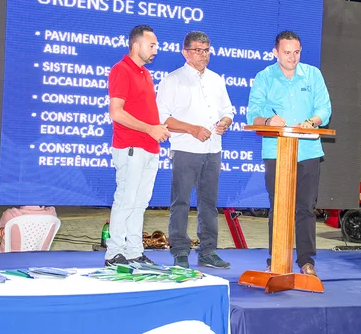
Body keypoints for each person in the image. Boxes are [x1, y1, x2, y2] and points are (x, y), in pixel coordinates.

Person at [247, 30, 331, 277]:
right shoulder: (264, 77)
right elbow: (253, 113)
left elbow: (324, 108)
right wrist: (269, 120)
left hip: (308, 150)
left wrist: (312, 121)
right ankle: (276, 259)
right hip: (277, 151)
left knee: (305, 207)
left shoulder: (313, 75)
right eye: (286, 52)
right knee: (279, 207)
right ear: (275, 52)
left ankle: (306, 261)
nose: (292, 57)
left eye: (296, 52)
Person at [157, 31, 234, 269]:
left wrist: (225, 122)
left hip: (213, 150)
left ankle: (208, 251)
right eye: (197, 50)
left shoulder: (216, 79)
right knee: (180, 202)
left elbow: (228, 109)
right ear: (185, 52)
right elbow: (163, 118)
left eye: (206, 50)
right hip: (185, 150)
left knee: (209, 204)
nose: (203, 55)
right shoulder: (172, 80)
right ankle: (180, 251)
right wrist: (192, 129)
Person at [105, 24, 170, 267]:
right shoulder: (122, 70)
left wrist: (157, 128)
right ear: (136, 46)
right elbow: (116, 113)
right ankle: (114, 253)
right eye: (151, 45)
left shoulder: (145, 73)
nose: (156, 50)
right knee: (125, 200)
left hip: (149, 147)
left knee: (140, 202)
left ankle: (133, 251)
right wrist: (150, 129)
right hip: (131, 146)